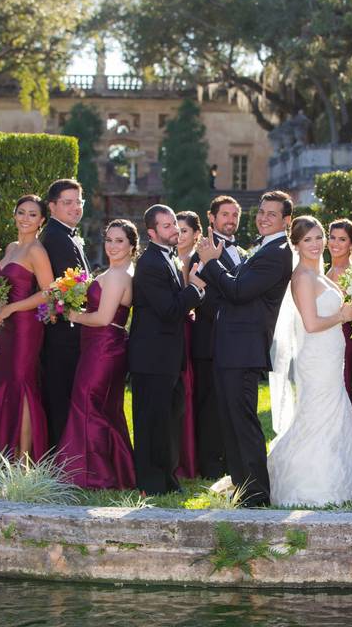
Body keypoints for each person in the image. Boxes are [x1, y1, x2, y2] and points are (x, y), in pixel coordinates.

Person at [195, 191, 294, 507]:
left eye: (272, 214)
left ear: (286, 221)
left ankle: (256, 492)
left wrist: (211, 263)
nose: (263, 217)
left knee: (243, 420)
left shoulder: (278, 252)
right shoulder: (263, 248)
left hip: (245, 347)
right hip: (231, 346)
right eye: (261, 212)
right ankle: (241, 486)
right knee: (230, 419)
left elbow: (237, 291)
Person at [267, 216, 352, 506]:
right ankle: (311, 484)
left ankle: (340, 478)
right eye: (307, 240)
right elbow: (311, 324)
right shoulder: (302, 277)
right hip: (316, 357)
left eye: (318, 237)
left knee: (333, 411)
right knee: (317, 414)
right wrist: (342, 315)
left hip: (331, 354)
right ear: (297, 245)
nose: (315, 245)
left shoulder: (320, 274)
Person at [0, 195, 54, 461]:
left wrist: (11, 309)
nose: (25, 218)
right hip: (8, 328)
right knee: (4, 383)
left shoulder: (36, 251)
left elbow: (49, 293)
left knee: (22, 384)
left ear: (42, 220)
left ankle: (24, 459)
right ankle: (5, 452)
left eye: (32, 214)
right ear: (14, 215)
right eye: (21, 212)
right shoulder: (11, 247)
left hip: (26, 327)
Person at [128, 205, 205, 494]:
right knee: (152, 421)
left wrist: (191, 295)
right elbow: (169, 309)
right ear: (152, 232)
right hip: (151, 358)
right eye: (167, 226)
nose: (174, 229)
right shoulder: (150, 263)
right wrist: (195, 289)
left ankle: (167, 480)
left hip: (167, 357)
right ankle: (151, 483)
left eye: (174, 223)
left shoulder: (168, 259)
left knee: (169, 420)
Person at [56, 220, 137, 489]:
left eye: (119, 241)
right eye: (109, 240)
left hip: (104, 347)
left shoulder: (117, 276)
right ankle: (114, 471)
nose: (113, 246)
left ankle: (92, 475)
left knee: (87, 403)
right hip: (102, 346)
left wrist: (73, 315)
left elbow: (103, 318)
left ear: (131, 246)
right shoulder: (118, 272)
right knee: (106, 408)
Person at [189, 196, 243, 479]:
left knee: (227, 403)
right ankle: (209, 466)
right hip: (209, 339)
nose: (230, 219)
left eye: (235, 214)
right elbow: (202, 297)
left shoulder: (242, 252)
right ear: (211, 218)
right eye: (225, 214)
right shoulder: (202, 251)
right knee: (209, 404)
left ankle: (226, 460)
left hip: (233, 342)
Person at [39, 179, 91, 447]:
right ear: (52, 206)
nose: (75, 208)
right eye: (67, 203)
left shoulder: (67, 234)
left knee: (66, 397)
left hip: (69, 332)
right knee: (60, 398)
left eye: (78, 202)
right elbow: (62, 288)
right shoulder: (57, 238)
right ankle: (62, 461)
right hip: (62, 333)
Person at [175, 210, 203, 480]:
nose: (179, 235)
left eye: (184, 231)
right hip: (171, 329)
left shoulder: (196, 261)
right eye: (176, 229)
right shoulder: (169, 258)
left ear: (196, 234)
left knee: (187, 388)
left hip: (188, 329)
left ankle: (189, 459)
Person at [325, 218, 352, 401]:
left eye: (342, 239)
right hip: (323, 336)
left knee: (338, 387)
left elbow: (350, 313)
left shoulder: (350, 274)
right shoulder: (328, 270)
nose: (335, 243)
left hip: (340, 338)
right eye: (332, 237)